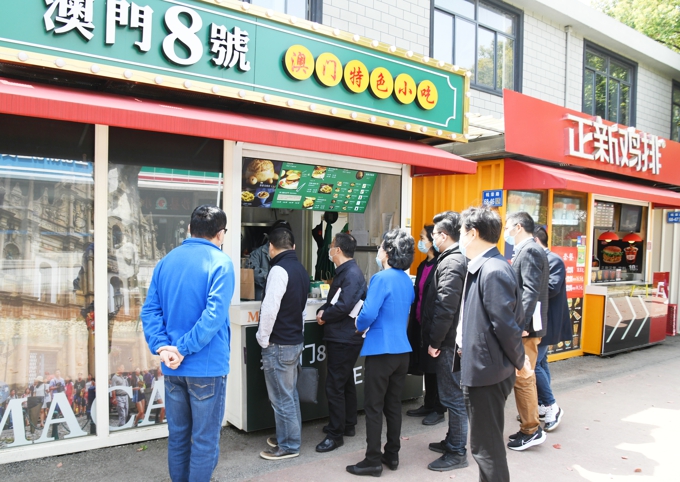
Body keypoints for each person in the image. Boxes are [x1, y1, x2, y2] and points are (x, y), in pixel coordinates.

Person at [141, 204, 235, 482]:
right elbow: (213, 317)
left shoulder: (166, 262)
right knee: (205, 440)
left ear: (189, 228)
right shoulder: (221, 263)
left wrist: (163, 347)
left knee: (178, 437)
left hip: (172, 367)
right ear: (221, 234)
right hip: (206, 368)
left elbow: (150, 310)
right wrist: (182, 349)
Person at [457, 206, 527, 482]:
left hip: (488, 372)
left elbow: (507, 326)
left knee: (487, 448)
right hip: (483, 368)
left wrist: (520, 361)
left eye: (461, 231)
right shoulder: (484, 266)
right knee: (484, 446)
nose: (460, 237)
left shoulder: (493, 270)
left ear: (473, 233)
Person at [346, 229, 415, 477]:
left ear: (388, 252)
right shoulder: (406, 280)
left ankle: (372, 459)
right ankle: (392, 454)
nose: (379, 250)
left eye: (381, 246)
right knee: (393, 405)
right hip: (402, 351)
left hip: (380, 351)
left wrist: (358, 324)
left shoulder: (380, 278)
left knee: (373, 406)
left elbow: (367, 313)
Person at [256, 227, 310, 460]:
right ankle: (289, 436)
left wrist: (262, 339)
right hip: (294, 341)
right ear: (293, 247)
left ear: (271, 247)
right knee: (290, 394)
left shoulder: (278, 270)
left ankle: (288, 445)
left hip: (278, 344)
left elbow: (269, 309)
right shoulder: (301, 269)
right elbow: (302, 310)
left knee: (281, 397)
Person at [425, 212, 469, 471]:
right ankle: (452, 440)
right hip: (451, 340)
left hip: (450, 342)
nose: (432, 239)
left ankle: (457, 451)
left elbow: (445, 307)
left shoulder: (452, 262)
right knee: (453, 396)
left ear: (443, 235)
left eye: (433, 235)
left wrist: (435, 341)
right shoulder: (453, 258)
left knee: (454, 398)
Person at [315, 233, 367, 453]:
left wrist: (325, 315)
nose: (329, 249)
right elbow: (336, 301)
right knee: (344, 382)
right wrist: (324, 310)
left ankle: (335, 435)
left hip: (344, 338)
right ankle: (347, 424)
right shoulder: (345, 272)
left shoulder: (351, 274)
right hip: (343, 336)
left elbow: (344, 306)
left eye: (331, 246)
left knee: (335, 385)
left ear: (338, 250)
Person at [504, 211, 549, 451]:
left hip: (527, 328)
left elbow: (531, 290)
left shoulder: (530, 250)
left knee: (523, 376)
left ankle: (531, 429)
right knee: (523, 376)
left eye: (508, 227)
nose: (506, 232)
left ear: (518, 227)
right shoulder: (527, 249)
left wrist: (521, 324)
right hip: (528, 325)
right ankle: (529, 427)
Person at [406, 225, 445, 426]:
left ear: (432, 240)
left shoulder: (441, 265)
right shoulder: (423, 265)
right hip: (421, 322)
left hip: (433, 323)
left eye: (422, 237)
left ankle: (439, 408)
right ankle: (428, 403)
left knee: (436, 367)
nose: (419, 241)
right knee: (427, 365)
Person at [533, 227, 571, 431]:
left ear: (535, 240)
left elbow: (552, 288)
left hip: (547, 322)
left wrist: (527, 286)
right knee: (541, 362)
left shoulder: (553, 260)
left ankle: (551, 406)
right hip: (539, 321)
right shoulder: (539, 259)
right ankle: (543, 404)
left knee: (533, 364)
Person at [248, 219, 293, 300]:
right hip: (261, 300)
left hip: (284, 300)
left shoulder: (290, 256)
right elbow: (251, 272)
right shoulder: (257, 253)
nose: (283, 238)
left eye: (286, 235)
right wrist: (273, 278)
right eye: (280, 234)